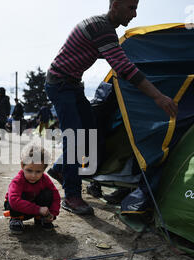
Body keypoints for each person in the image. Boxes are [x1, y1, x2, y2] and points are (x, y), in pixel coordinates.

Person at [45, 0, 178, 215]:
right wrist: (158, 97)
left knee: (91, 132)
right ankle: (71, 196)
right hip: (60, 84)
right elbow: (124, 68)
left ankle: (60, 170)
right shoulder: (101, 28)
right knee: (76, 136)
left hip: (73, 85)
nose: (134, 14)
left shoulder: (104, 30)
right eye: (131, 8)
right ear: (115, 5)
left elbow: (116, 57)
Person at [4, 143, 61, 235]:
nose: (33, 176)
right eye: (29, 170)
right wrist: (38, 209)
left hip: (36, 209)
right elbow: (14, 201)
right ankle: (16, 220)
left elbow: (55, 196)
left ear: (44, 169)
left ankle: (41, 219)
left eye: (38, 171)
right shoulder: (17, 181)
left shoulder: (44, 179)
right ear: (22, 165)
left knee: (48, 193)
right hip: (18, 209)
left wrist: (53, 213)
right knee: (13, 200)